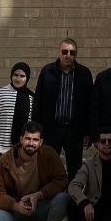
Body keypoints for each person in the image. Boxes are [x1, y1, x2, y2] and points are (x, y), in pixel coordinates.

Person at [0, 121, 70, 221]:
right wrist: (15, 206)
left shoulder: (49, 155)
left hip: (40, 206)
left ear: (41, 142)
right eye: (28, 139)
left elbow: (61, 180)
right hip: (16, 207)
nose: (31, 143)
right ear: (21, 139)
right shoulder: (6, 160)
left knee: (64, 199)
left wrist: (39, 195)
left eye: (35, 140)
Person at [0, 62, 34, 221]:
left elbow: (31, 126)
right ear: (11, 76)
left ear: (27, 78)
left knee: (20, 184)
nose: (18, 79)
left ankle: (17, 213)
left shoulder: (31, 98)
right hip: (2, 149)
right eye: (15, 75)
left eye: (22, 76)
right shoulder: (0, 94)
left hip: (21, 151)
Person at [35, 38, 94, 178]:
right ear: (59, 53)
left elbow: (89, 104)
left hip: (74, 130)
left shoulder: (84, 73)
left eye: (72, 52)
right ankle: (50, 191)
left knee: (75, 169)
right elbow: (38, 101)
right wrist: (37, 130)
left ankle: (72, 191)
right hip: (51, 129)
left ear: (76, 54)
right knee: (48, 166)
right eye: (64, 52)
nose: (68, 55)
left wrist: (88, 132)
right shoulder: (47, 71)